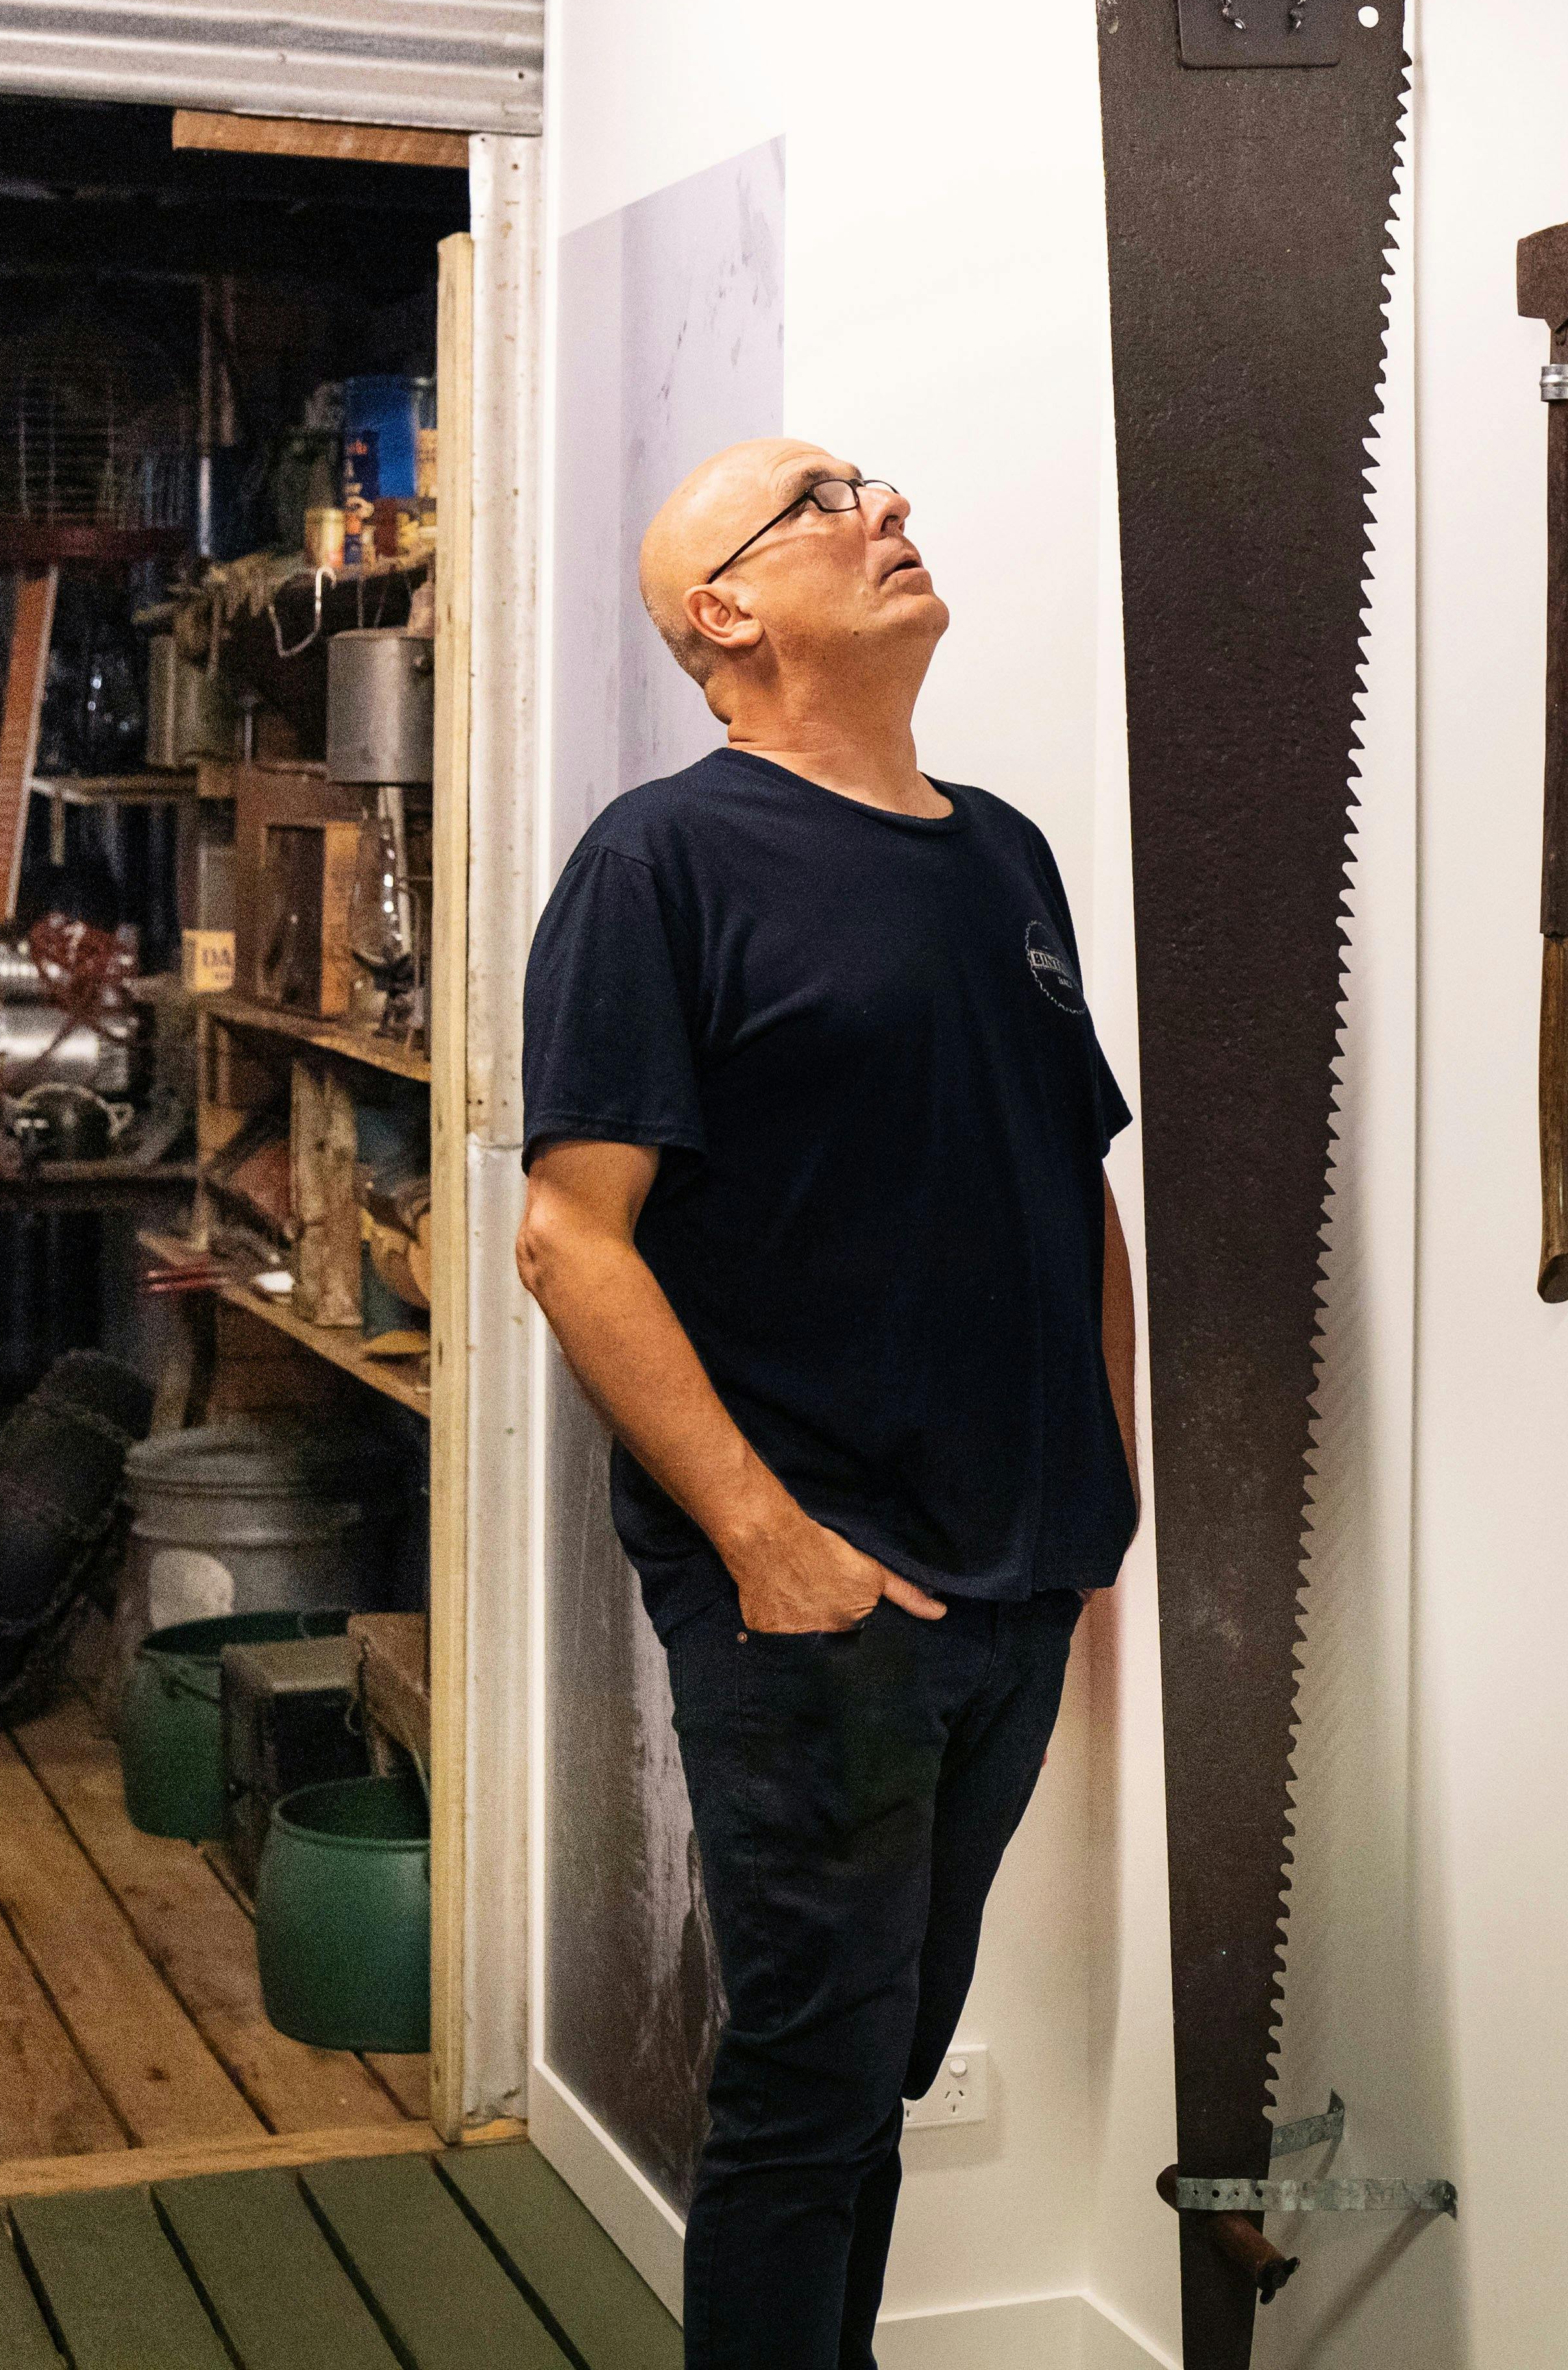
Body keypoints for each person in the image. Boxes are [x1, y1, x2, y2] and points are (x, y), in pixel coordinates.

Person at [515, 438, 1140, 2370]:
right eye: (823, 501)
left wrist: (1099, 1483)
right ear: (724, 612)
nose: (888, 511)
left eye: (878, 485)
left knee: (886, 2061)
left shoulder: (1003, 853)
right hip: (819, 1588)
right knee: (805, 2091)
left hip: (1014, 1581)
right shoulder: (662, 861)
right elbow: (571, 1239)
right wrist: (764, 1537)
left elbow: (1074, 1174)